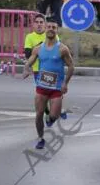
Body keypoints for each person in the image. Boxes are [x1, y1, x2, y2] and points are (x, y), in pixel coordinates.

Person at [21, 20, 74, 150]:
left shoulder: (62, 49)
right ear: (45, 29)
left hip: (56, 88)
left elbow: (71, 66)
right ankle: (40, 138)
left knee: (53, 117)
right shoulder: (38, 48)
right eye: (49, 27)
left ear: (57, 30)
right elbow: (30, 61)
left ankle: (50, 118)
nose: (51, 29)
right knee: (38, 114)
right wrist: (26, 68)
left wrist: (65, 83)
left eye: (53, 27)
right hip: (42, 86)